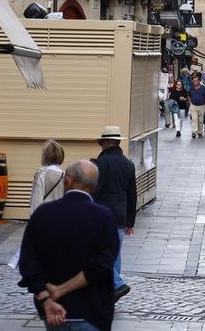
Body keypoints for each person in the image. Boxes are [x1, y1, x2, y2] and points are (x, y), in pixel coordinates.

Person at [18, 160, 119, 331]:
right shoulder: (104, 217)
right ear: (94, 186)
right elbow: (101, 265)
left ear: (68, 180)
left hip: (53, 311)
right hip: (91, 311)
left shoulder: (43, 213)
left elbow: (28, 261)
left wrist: (47, 298)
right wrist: (61, 290)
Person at [91, 126, 136, 303]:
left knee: (98, 253)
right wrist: (130, 221)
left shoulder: (102, 163)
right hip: (120, 216)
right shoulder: (128, 164)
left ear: (108, 143)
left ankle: (117, 285)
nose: (101, 146)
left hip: (103, 215)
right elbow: (132, 193)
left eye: (102, 143)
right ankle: (110, 291)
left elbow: (95, 190)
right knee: (115, 254)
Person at [29, 139, 66, 213]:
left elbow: (36, 202)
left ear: (44, 156)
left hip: (45, 217)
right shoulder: (66, 175)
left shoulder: (41, 174)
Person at [188, 74, 205, 138]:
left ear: (199, 81)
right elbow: (189, 96)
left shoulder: (204, 88)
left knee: (200, 120)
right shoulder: (191, 88)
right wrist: (190, 103)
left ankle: (200, 132)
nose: (195, 82)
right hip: (193, 106)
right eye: (194, 81)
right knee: (194, 119)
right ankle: (194, 132)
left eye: (196, 81)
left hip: (202, 106)